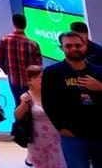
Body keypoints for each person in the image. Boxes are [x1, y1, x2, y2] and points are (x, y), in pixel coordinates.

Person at [42, 31, 102, 167]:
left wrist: (100, 87)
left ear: (85, 46)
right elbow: (48, 102)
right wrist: (60, 127)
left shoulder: (99, 71)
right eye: (69, 46)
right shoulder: (52, 73)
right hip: (72, 135)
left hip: (99, 132)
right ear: (61, 48)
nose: (74, 48)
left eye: (78, 45)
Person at [14, 65, 64, 168]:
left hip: (56, 137)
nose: (43, 80)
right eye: (39, 77)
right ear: (30, 80)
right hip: (37, 138)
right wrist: (23, 104)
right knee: (40, 164)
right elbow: (18, 117)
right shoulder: (27, 97)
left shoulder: (54, 94)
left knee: (58, 163)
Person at [0, 13, 43, 105]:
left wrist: (8, 72)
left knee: (18, 104)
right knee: (32, 105)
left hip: (13, 80)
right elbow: (38, 65)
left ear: (14, 24)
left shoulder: (4, 40)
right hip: (30, 82)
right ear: (25, 25)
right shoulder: (33, 44)